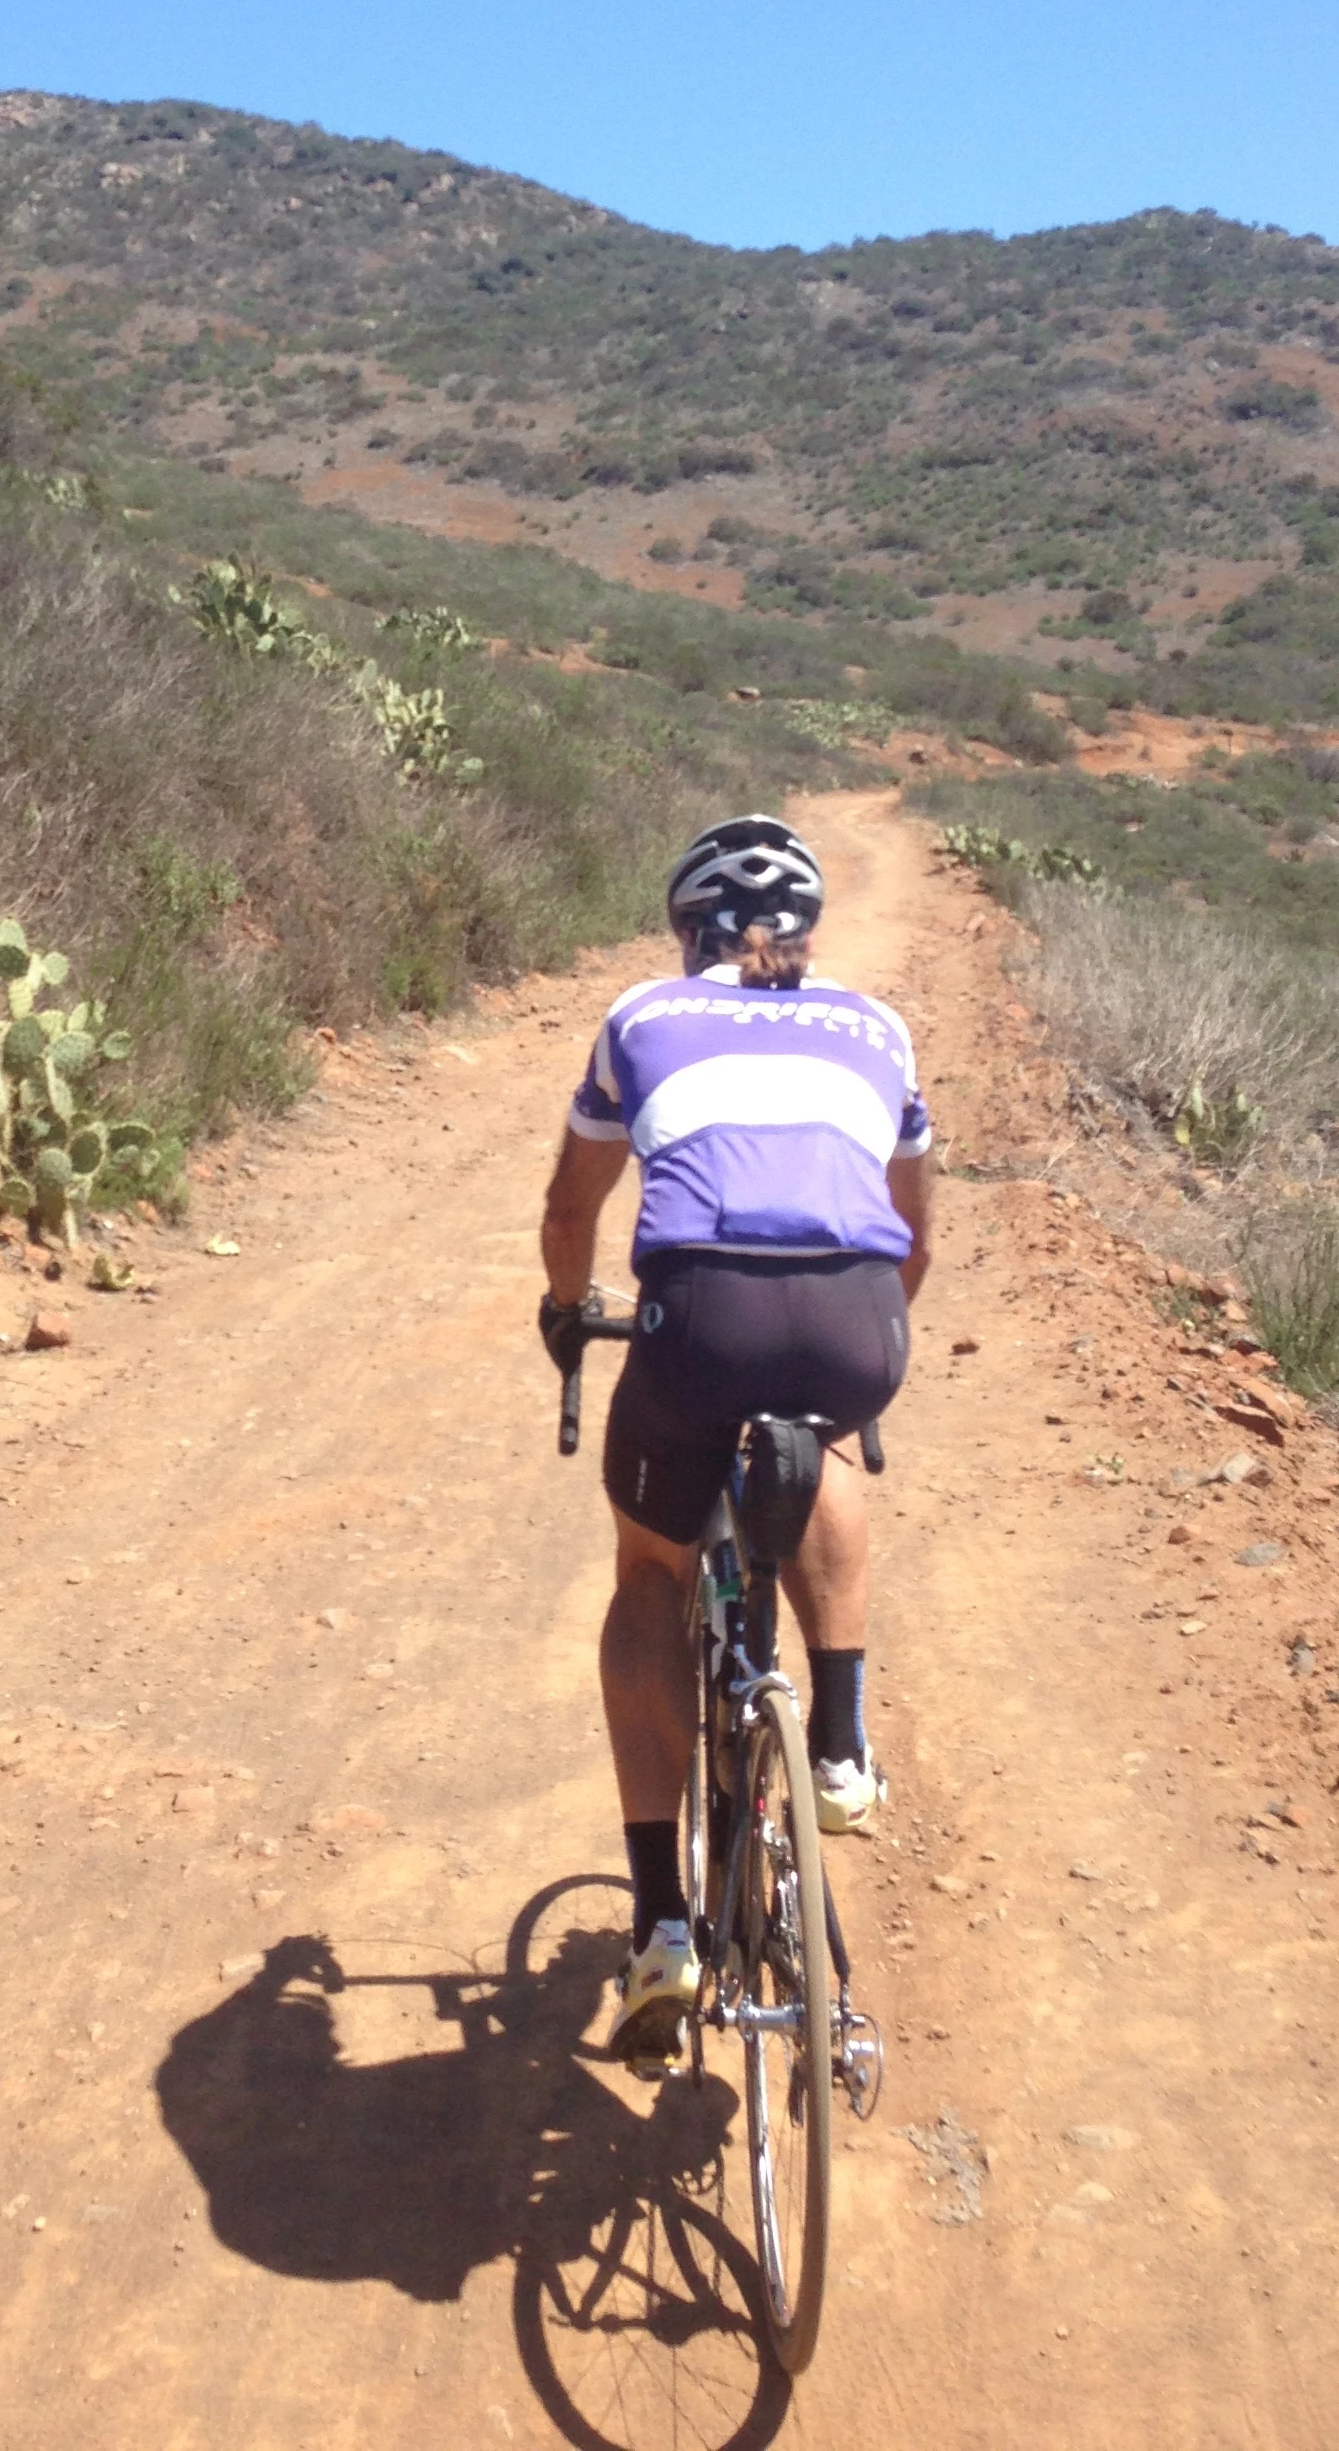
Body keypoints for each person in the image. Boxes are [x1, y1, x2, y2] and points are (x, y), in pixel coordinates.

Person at [536, 814, 935, 2063]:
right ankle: (842, 1739)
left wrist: (566, 1312)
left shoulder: (642, 1017)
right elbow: (913, 1229)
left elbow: (572, 1206)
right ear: (805, 935)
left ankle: (663, 1925)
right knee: (823, 1434)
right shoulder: (877, 1028)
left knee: (653, 1574)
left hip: (698, 1315)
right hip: (858, 1314)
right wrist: (847, 1356)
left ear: (684, 931)